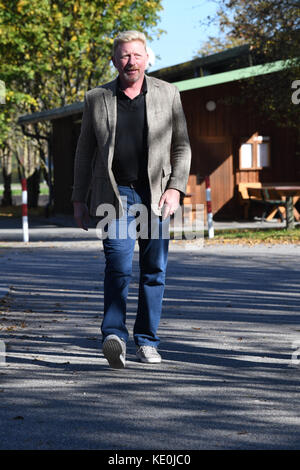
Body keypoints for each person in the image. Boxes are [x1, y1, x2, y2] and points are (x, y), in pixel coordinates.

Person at [72, 31, 191, 369]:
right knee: (118, 266)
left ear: (147, 59)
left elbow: (182, 146)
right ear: (114, 60)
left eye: (137, 55)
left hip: (156, 195)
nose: (131, 61)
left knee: (155, 270)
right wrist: (78, 198)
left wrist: (175, 188)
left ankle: (147, 341)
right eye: (124, 56)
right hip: (115, 196)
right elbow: (84, 152)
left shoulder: (168, 93)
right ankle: (114, 336)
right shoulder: (98, 98)